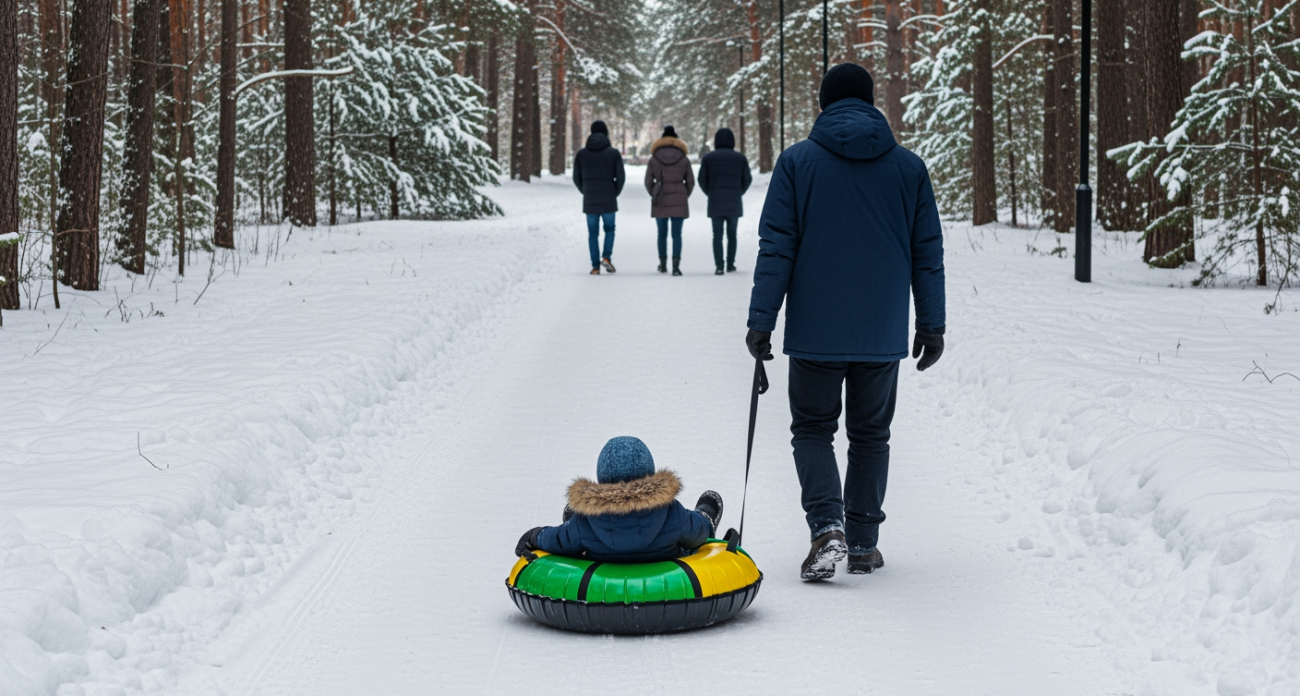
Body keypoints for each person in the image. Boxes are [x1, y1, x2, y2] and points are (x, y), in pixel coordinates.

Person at [745, 63, 946, 581]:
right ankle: (861, 541)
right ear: (871, 102)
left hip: (815, 329)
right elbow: (927, 253)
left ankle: (827, 527)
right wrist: (932, 323)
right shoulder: (908, 168)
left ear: (823, 103)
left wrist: (761, 320)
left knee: (812, 428)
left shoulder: (797, 163)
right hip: (881, 332)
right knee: (871, 434)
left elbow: (777, 248)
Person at [515, 436, 724, 563]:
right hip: (661, 561)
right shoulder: (670, 511)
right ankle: (704, 514)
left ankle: (571, 519)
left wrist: (536, 536)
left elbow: (558, 540)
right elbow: (698, 534)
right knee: (693, 523)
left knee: (575, 529)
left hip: (602, 554)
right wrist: (704, 523)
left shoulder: (586, 521)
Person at [697, 127, 752, 275]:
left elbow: (702, 179)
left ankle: (719, 266)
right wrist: (739, 192)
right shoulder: (740, 158)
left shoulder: (709, 158)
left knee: (717, 234)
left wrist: (710, 192)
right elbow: (747, 179)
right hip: (734, 201)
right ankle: (730, 264)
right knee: (732, 234)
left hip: (715, 201)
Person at [573, 120, 626, 275]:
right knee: (610, 229)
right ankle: (607, 257)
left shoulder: (582, 154)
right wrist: (614, 192)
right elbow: (621, 177)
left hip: (590, 199)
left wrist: (586, 191)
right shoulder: (613, 153)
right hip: (609, 197)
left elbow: (576, 177)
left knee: (593, 233)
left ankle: (595, 266)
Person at [645, 126, 695, 276]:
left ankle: (662, 264)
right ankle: (676, 265)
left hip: (660, 199)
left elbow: (648, 181)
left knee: (662, 233)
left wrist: (654, 192)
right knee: (677, 234)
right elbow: (691, 181)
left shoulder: (654, 158)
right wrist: (684, 194)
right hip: (679, 199)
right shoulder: (684, 158)